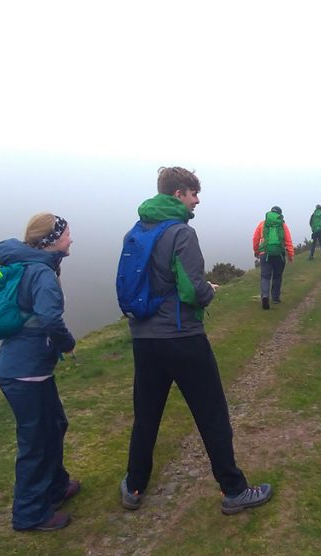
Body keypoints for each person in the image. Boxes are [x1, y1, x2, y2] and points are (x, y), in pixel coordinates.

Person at [120, 166, 273, 515]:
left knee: (146, 415)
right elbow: (191, 290)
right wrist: (209, 291)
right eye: (192, 193)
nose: (197, 199)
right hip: (182, 337)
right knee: (212, 414)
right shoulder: (181, 234)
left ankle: (134, 486)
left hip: (144, 338)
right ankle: (234, 491)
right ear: (178, 195)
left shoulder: (137, 230)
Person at [0, 213, 79, 532]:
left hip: (26, 370)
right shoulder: (41, 273)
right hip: (25, 373)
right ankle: (30, 514)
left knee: (54, 425)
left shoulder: (29, 267)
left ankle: (56, 487)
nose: (71, 239)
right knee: (36, 442)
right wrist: (67, 344)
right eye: (67, 234)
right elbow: (50, 320)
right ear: (52, 240)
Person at [251, 206, 294, 310]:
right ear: (280, 214)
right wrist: (290, 255)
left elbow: (255, 238)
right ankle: (275, 298)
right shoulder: (282, 225)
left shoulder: (262, 224)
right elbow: (288, 240)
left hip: (264, 253)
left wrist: (256, 251)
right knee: (277, 276)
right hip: (279, 254)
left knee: (265, 276)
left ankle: (265, 296)